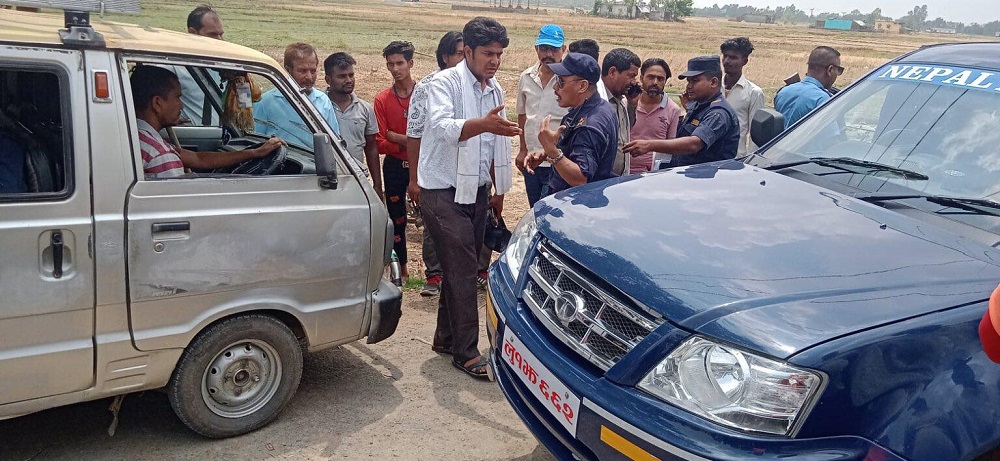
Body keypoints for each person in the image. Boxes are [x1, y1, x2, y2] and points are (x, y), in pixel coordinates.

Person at [420, 17, 520, 379]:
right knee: (463, 270)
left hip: (476, 191)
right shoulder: (442, 83)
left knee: (457, 268)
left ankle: (446, 339)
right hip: (441, 190)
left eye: (499, 54)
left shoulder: (494, 90)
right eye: (488, 53)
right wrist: (483, 124)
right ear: (467, 52)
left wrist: (498, 191)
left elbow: (497, 143)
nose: (494, 61)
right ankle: (466, 352)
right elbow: (443, 128)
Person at [131, 65, 283, 179]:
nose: (181, 105)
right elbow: (178, 205)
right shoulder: (160, 155)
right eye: (177, 97)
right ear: (157, 103)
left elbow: (198, 159)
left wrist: (253, 153)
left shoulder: (139, 138)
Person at [407, 31, 465, 297]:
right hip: (435, 170)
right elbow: (415, 132)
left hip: (464, 171)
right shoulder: (427, 86)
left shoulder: (473, 86)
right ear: (445, 57)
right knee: (434, 224)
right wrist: (414, 178)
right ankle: (434, 276)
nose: (464, 59)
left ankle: (462, 275)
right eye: (459, 54)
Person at [523, 53, 617, 195]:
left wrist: (551, 150)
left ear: (582, 86)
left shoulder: (588, 125)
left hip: (577, 207)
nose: (555, 87)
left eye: (561, 82)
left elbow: (580, 178)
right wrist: (546, 153)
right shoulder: (601, 107)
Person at [623, 56, 740, 167]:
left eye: (695, 81)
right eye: (689, 81)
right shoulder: (699, 106)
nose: (689, 86)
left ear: (713, 82)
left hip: (706, 181)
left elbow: (694, 144)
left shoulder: (718, 113)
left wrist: (649, 145)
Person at [375, 40, 416, 280]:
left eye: (400, 63)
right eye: (390, 64)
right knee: (397, 218)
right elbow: (381, 142)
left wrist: (397, 137)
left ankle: (434, 273)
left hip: (420, 164)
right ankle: (402, 266)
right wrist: (413, 140)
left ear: (410, 63)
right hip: (393, 166)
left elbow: (430, 136)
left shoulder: (424, 95)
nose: (395, 69)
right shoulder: (382, 100)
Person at [515, 24, 569, 207]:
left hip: (558, 161)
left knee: (547, 211)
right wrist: (522, 150)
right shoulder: (526, 77)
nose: (549, 54)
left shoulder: (569, 80)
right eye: (544, 48)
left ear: (564, 49)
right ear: (536, 49)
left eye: (554, 49)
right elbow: (522, 116)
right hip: (531, 161)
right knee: (535, 210)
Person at [254, 43, 341, 146]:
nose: (309, 77)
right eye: (302, 71)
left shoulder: (323, 101)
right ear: (287, 70)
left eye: (313, 71)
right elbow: (256, 142)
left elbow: (333, 143)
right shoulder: (266, 102)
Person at [324, 52, 382, 196]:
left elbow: (371, 148)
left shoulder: (365, 108)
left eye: (351, 75)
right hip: (325, 181)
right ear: (328, 79)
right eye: (342, 76)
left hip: (356, 179)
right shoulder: (316, 106)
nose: (349, 80)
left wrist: (377, 186)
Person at [629, 58, 681, 174]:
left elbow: (671, 146)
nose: (655, 82)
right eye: (651, 77)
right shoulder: (626, 103)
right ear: (641, 78)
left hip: (653, 175)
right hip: (620, 173)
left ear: (665, 82)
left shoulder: (673, 110)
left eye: (660, 79)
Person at [177, 5, 224, 125]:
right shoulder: (174, 65)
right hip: (188, 138)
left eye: (221, 34)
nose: (219, 41)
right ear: (192, 33)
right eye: (212, 35)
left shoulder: (224, 67)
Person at [774, 46, 842, 128]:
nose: (838, 74)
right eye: (839, 70)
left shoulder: (783, 92)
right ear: (830, 70)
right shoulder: (822, 99)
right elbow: (832, 138)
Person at [597, 48, 640, 176]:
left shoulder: (621, 99)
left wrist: (632, 105)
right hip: (598, 182)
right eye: (631, 76)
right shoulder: (597, 100)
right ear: (612, 72)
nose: (634, 82)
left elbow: (625, 130)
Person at [720, 37, 764, 156]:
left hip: (736, 158)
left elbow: (756, 135)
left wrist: (750, 161)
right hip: (709, 157)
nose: (727, 61)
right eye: (725, 56)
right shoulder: (713, 87)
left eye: (733, 57)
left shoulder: (754, 93)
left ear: (745, 61)